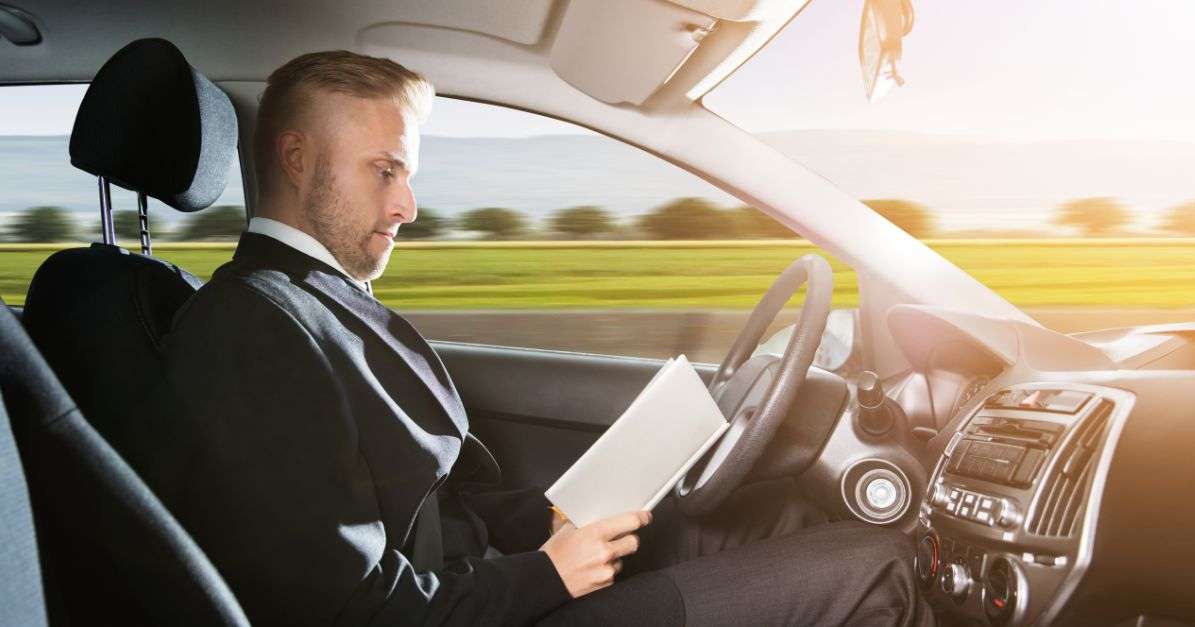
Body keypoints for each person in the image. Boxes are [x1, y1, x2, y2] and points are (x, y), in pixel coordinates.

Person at [143, 50, 935, 626]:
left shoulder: (313, 300)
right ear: (294, 158)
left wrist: (549, 520)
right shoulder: (250, 328)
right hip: (488, 611)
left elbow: (433, 500)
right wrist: (546, 574)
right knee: (881, 568)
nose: (409, 203)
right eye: (384, 171)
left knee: (788, 521)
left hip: (487, 585)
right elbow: (347, 604)